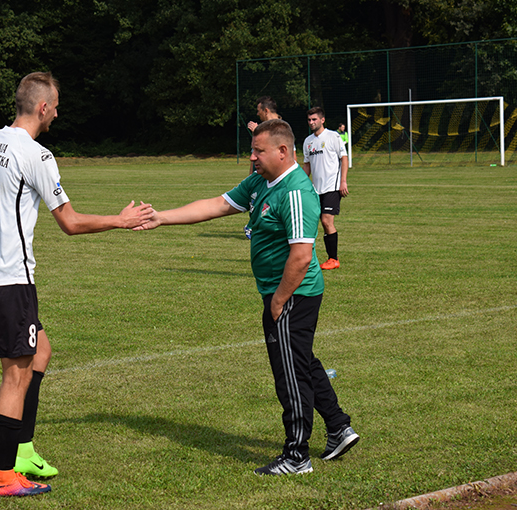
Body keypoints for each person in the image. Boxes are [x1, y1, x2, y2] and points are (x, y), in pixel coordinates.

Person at [0, 71, 153, 497]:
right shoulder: (36, 155)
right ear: (42, 107)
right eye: (55, 105)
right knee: (15, 375)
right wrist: (121, 219)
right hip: (10, 279)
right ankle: (4, 474)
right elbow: (70, 223)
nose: (57, 112)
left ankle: (22, 448)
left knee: (41, 352)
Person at [135, 119, 358, 476]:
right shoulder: (260, 182)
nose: (252, 157)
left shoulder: (296, 192)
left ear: (283, 152)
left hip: (293, 294)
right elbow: (216, 205)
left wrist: (279, 300)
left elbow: (301, 256)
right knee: (299, 360)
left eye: (259, 151)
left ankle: (297, 455)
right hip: (282, 294)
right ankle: (338, 426)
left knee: (289, 373)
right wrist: (162, 218)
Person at [302, 107, 349, 270]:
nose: (311, 122)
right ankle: (309, 258)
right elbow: (307, 166)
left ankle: (333, 259)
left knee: (326, 221)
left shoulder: (333, 136)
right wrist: (300, 183)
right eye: (309, 120)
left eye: (314, 119)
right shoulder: (308, 141)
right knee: (312, 222)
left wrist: (343, 181)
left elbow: (344, 158)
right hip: (316, 189)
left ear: (322, 120)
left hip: (333, 187)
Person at [244, 96, 282, 239]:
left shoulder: (280, 127)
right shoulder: (265, 128)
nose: (257, 114)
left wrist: (257, 132)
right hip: (261, 173)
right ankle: (254, 225)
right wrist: (251, 174)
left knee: (269, 200)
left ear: (266, 110)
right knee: (256, 197)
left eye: (259, 111)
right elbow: (255, 153)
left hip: (273, 173)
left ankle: (254, 226)